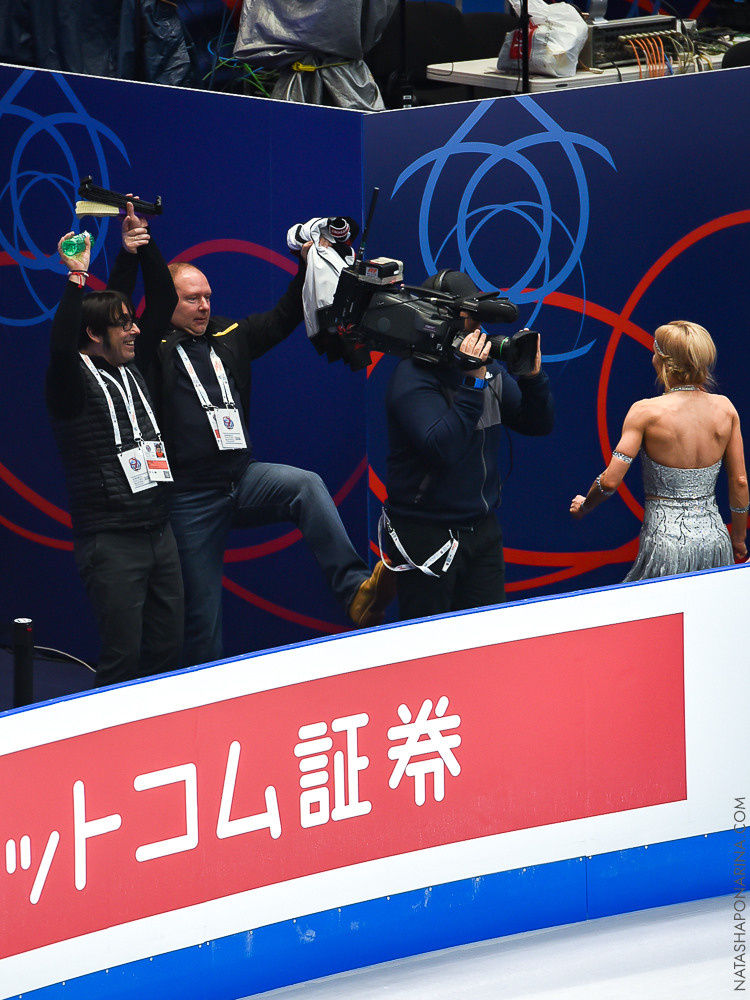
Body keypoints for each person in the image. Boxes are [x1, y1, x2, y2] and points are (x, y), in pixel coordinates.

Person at [114, 245, 394, 668]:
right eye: (192, 299)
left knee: (306, 485)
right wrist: (137, 254)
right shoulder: (151, 345)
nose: (204, 306)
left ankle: (356, 591)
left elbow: (284, 317)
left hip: (243, 479)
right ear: (166, 301)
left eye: (208, 296)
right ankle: (199, 713)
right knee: (202, 622)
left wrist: (307, 265)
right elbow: (129, 312)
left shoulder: (229, 335)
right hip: (189, 498)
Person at [45, 206, 184, 686]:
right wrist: (77, 278)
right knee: (122, 659)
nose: (136, 330)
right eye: (123, 325)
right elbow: (63, 345)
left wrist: (140, 248)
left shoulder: (134, 364)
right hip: (110, 541)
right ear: (94, 335)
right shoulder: (70, 383)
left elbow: (161, 300)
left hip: (159, 531)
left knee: (168, 649)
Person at [382, 271, 555, 621]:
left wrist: (533, 378)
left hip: (482, 532)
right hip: (426, 536)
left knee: (485, 643)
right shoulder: (412, 378)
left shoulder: (487, 373)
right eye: (470, 318)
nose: (477, 329)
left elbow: (537, 424)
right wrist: (472, 385)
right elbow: (442, 448)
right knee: (427, 652)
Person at [570, 320, 748, 578]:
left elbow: (609, 482)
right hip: (715, 541)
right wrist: (739, 539)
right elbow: (740, 481)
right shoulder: (726, 409)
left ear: (664, 362)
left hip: (665, 545)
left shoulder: (645, 412)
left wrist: (585, 506)